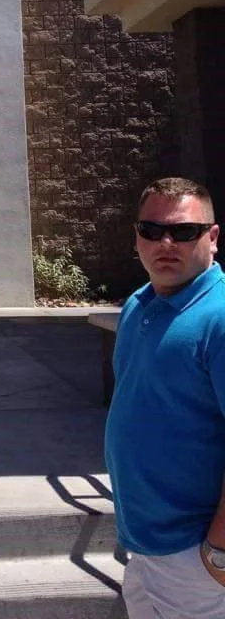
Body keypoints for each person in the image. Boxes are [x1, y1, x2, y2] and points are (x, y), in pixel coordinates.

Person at [105, 177, 225, 618]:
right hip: (143, 545)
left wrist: (218, 553)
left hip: (196, 555)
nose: (166, 242)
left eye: (185, 231)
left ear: (212, 237)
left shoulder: (220, 318)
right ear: (137, 238)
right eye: (152, 231)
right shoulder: (140, 304)